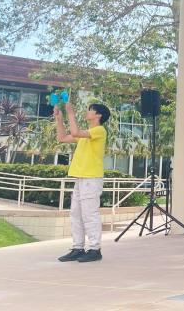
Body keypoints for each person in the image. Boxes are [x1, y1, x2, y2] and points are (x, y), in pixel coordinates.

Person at [54, 98, 110, 263]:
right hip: (81, 178)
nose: (87, 112)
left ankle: (95, 249)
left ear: (98, 115)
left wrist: (70, 112)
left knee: (89, 214)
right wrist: (59, 119)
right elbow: (63, 138)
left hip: (92, 178)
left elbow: (76, 132)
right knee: (76, 214)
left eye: (90, 109)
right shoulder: (86, 134)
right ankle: (78, 248)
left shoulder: (99, 130)